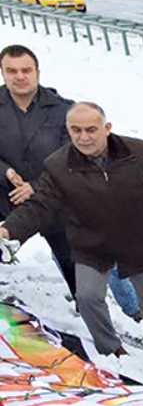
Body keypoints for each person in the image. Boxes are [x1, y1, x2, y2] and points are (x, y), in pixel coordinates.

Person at [0, 102, 143, 360]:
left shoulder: (140, 152)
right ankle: (110, 350)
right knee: (88, 298)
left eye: (91, 130)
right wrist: (7, 230)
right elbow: (39, 205)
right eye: (76, 130)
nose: (84, 137)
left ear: (107, 128)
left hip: (139, 239)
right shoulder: (58, 165)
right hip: (91, 242)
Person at [0, 44, 76, 296]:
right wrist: (7, 173)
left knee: (74, 265)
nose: (19, 76)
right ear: (3, 74)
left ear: (37, 73)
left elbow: (71, 156)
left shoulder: (63, 109)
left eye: (26, 70)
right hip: (5, 194)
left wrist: (35, 185)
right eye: (12, 71)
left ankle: (90, 313)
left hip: (54, 199)